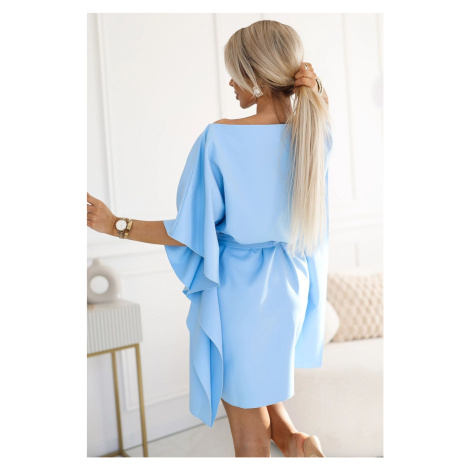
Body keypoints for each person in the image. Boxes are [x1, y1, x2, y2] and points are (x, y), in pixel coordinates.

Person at [87, 20, 332, 458]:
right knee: (261, 394)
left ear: (255, 76)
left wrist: (115, 224)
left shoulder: (221, 138)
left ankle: (296, 444)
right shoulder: (315, 133)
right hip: (289, 288)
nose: (231, 83)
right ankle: (298, 445)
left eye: (235, 73)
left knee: (248, 435)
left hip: (240, 295)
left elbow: (188, 233)